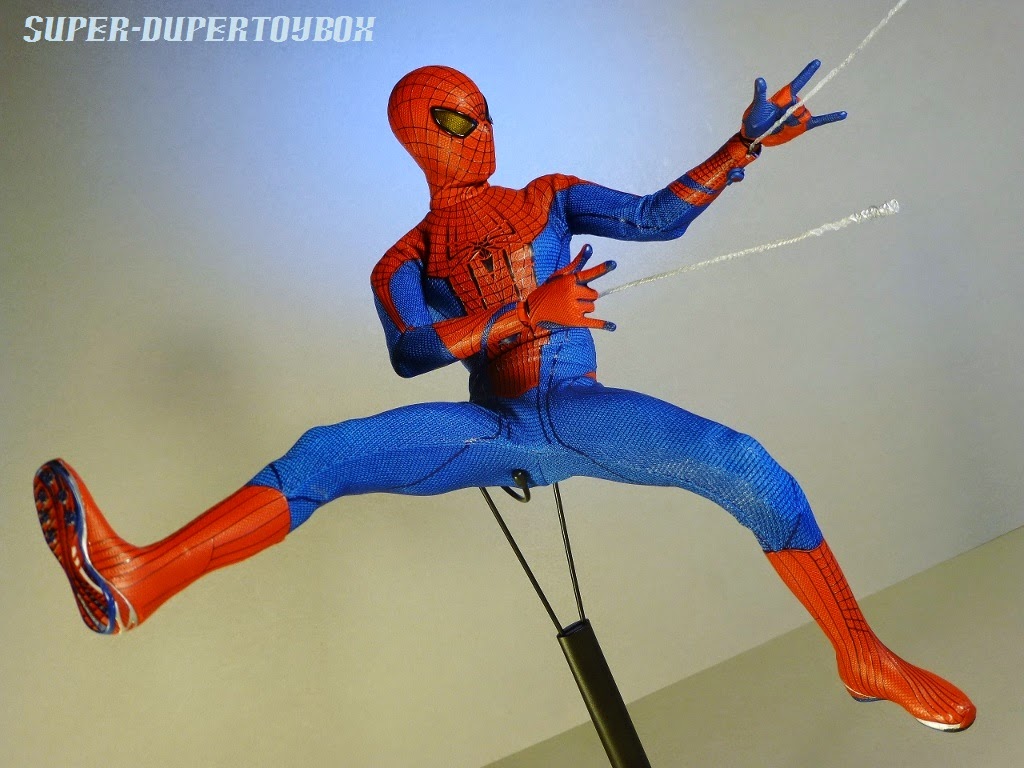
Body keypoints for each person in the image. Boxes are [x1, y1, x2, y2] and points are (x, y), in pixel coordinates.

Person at [34, 63, 975, 731]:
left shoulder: (548, 199)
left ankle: (861, 653)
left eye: (482, 114)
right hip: (491, 431)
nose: (479, 132)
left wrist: (743, 146)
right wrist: (524, 310)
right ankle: (138, 579)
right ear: (415, 137)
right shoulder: (403, 260)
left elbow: (656, 218)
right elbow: (412, 353)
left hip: (576, 412)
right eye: (455, 122)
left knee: (744, 464)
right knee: (323, 454)